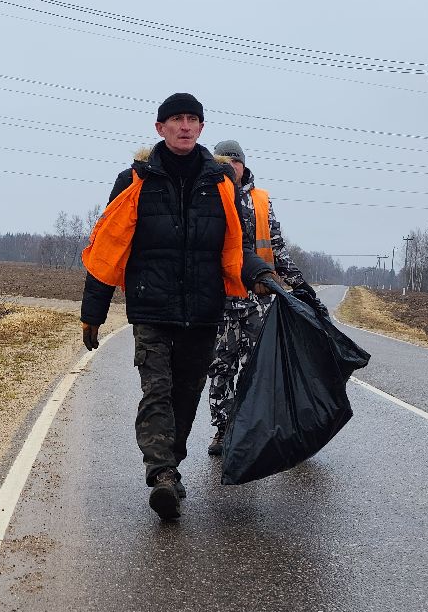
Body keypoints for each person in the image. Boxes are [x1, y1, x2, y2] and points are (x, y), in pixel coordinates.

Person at [79, 93, 275, 519]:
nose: (184, 126)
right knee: (158, 390)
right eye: (175, 120)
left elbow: (239, 247)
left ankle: (173, 465)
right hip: (152, 308)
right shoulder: (134, 181)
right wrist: (92, 312)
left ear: (201, 128)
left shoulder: (222, 183)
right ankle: (162, 473)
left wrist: (260, 276)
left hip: (204, 310)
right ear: (160, 129)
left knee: (187, 394)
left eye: (192, 119)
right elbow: (108, 248)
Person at [203, 139, 318, 458]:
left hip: (258, 304)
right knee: (220, 367)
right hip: (221, 304)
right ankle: (223, 429)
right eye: (223, 161)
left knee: (258, 368)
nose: (230, 167)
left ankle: (254, 427)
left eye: (234, 161)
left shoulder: (261, 201)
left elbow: (278, 249)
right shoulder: (208, 197)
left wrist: (299, 286)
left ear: (243, 164)